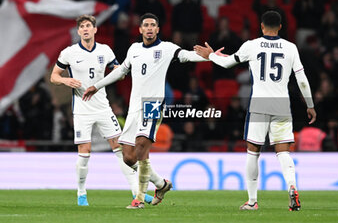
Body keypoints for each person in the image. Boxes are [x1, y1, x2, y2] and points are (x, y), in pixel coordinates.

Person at [83, 13, 219, 209]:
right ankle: (161, 184)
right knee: (128, 157)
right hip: (134, 106)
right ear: (139, 29)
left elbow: (187, 55)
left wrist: (209, 56)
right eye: (145, 25)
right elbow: (121, 71)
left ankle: (138, 200)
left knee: (140, 148)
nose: (148, 28)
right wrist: (96, 86)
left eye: (152, 25)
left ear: (157, 29)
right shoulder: (134, 49)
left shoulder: (166, 48)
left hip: (153, 105)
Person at [194, 11, 317, 211]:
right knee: (283, 151)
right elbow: (302, 79)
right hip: (281, 104)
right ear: (280, 27)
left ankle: (252, 202)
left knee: (253, 152)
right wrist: (310, 105)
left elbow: (228, 62)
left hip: (259, 104)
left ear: (261, 26)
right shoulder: (291, 47)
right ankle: (292, 186)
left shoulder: (251, 45)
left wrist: (210, 56)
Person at [50, 14, 153, 206]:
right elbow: (54, 76)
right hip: (82, 109)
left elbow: (118, 71)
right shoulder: (69, 53)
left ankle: (136, 193)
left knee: (121, 149)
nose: (86, 29)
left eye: (89, 26)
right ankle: (81, 193)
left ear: (95, 29)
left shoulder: (105, 51)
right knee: (85, 151)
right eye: (82, 27)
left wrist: (119, 74)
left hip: (103, 107)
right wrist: (65, 80)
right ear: (79, 31)